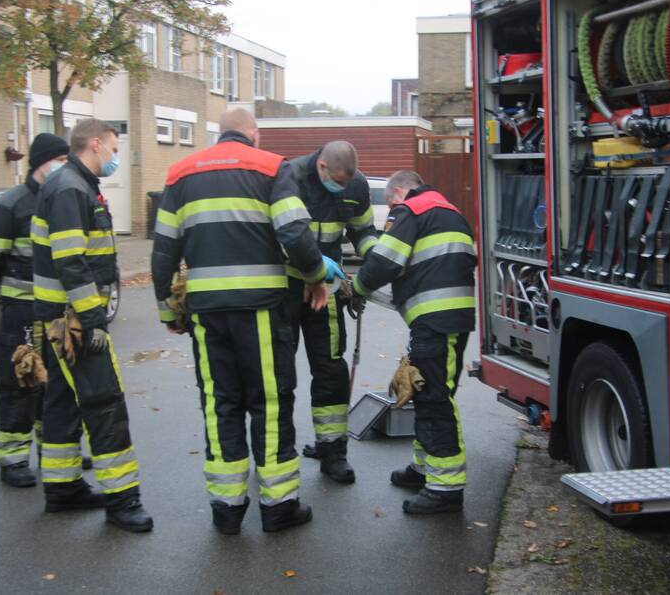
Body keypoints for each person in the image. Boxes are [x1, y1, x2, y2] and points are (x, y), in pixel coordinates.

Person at [151, 108, 328, 535]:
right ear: (253, 133)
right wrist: (315, 276)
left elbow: (164, 250)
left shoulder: (180, 174)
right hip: (261, 308)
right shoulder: (271, 168)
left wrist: (168, 309)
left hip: (207, 313)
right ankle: (278, 507)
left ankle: (227, 509)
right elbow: (294, 233)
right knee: (270, 403)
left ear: (220, 133)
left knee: (219, 403)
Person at [32, 118, 152, 532]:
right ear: (95, 144)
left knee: (63, 400)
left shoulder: (74, 184)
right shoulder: (70, 188)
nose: (116, 156)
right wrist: (93, 319)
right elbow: (71, 261)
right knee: (104, 403)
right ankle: (123, 500)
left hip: (61, 316)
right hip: (72, 320)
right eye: (114, 149)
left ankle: (63, 489)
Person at [352, 171, 477, 514]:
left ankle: (445, 488)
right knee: (427, 391)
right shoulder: (450, 211)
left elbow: (385, 261)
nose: (392, 211)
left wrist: (357, 288)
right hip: (450, 317)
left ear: (398, 192)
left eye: (391, 203)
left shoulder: (412, 209)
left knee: (434, 398)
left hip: (434, 319)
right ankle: (424, 468)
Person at [0, 133, 69, 488]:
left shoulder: (63, 198)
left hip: (58, 310)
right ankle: (13, 460)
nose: (64, 167)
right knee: (21, 381)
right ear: (41, 162)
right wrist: (11, 291)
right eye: (60, 160)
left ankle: (54, 450)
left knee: (56, 383)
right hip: (23, 309)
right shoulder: (12, 204)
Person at [286, 141, 378, 483]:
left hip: (327, 288)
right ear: (322, 167)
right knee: (278, 372)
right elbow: (274, 233)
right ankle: (276, 451)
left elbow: (362, 230)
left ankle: (332, 451)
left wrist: (376, 256)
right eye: (337, 182)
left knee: (330, 368)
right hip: (286, 286)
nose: (342, 188)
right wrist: (312, 262)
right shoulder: (290, 177)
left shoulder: (356, 185)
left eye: (347, 182)